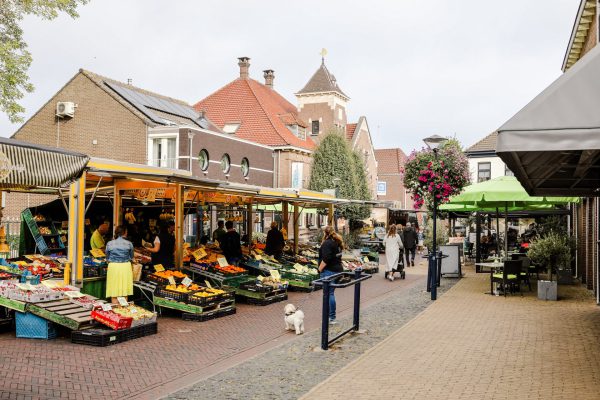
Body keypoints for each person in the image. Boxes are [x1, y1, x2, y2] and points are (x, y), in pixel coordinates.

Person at [318, 226, 344, 325]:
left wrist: (319, 269)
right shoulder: (337, 242)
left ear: (325, 233)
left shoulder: (327, 243)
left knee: (329, 294)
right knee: (331, 293)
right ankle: (330, 316)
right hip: (338, 270)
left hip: (329, 271)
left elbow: (326, 259)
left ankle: (331, 317)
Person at [105, 225, 134, 304]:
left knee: (114, 289)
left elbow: (107, 257)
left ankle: (115, 311)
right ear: (125, 233)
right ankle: (123, 310)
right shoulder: (129, 244)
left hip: (113, 266)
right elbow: (131, 257)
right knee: (124, 289)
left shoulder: (109, 243)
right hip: (125, 266)